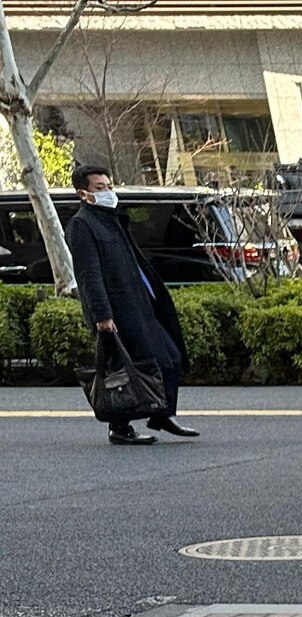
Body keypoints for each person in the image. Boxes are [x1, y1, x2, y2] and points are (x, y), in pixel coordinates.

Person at [64, 163, 194, 447]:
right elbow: (88, 275)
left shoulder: (114, 219)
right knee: (121, 369)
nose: (108, 192)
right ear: (83, 194)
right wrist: (102, 315)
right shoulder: (81, 225)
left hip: (140, 305)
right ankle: (119, 427)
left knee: (169, 358)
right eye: (100, 188)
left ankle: (161, 414)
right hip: (115, 311)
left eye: (109, 186)